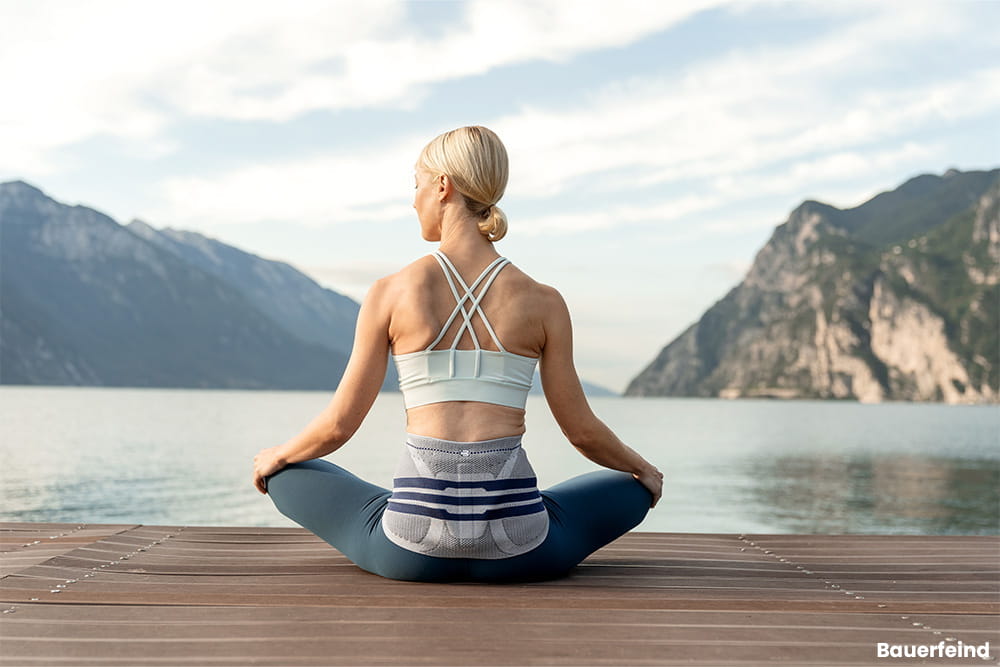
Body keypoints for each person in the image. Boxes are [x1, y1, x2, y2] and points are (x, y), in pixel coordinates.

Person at [252, 125, 663, 583]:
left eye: (416, 184)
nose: (413, 200)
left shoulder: (390, 293)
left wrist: (277, 456)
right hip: (523, 552)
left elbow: (338, 426)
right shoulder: (544, 301)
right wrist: (643, 469)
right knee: (631, 489)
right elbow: (582, 433)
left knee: (285, 472)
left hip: (409, 551)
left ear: (442, 186)